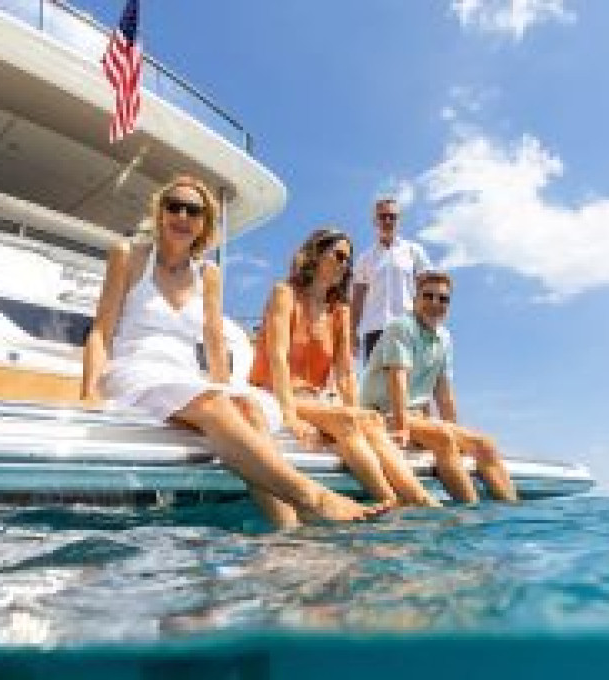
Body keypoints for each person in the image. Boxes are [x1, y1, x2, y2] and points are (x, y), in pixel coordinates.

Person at [81, 175, 388, 528]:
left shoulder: (208, 274)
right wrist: (89, 394)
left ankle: (288, 535)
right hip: (135, 371)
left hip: (183, 378)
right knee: (214, 404)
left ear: (204, 223)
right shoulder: (129, 256)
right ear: (160, 212)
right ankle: (313, 498)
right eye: (174, 206)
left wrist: (229, 391)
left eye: (193, 211)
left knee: (248, 408)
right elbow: (101, 331)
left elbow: (214, 343)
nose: (182, 216)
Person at [249, 228, 440, 507]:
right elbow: (277, 356)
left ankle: (422, 501)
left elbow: (346, 373)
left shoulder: (340, 310)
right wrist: (289, 416)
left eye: (348, 260)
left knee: (369, 420)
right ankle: (390, 504)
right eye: (339, 256)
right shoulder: (285, 294)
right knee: (349, 421)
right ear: (316, 254)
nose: (345, 264)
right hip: (274, 394)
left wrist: (357, 411)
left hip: (315, 399)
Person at [361, 271, 518, 504]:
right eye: (428, 296)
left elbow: (444, 395)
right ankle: (469, 514)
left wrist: (456, 432)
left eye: (443, 299)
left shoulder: (444, 338)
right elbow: (397, 379)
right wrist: (402, 429)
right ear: (415, 299)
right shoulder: (400, 327)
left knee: (485, 444)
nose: (435, 303)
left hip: (415, 417)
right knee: (443, 438)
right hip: (381, 414)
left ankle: (510, 510)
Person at [350, 198, 432, 362]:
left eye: (392, 216)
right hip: (374, 332)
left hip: (408, 330)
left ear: (399, 220)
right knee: (376, 379)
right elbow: (357, 299)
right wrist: (352, 332)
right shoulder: (364, 259)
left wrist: (428, 326)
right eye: (382, 216)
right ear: (375, 221)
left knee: (410, 378)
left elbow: (428, 290)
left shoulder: (414, 251)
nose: (387, 220)